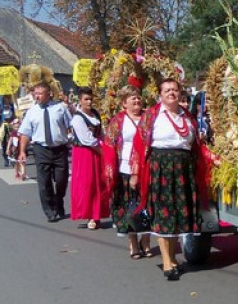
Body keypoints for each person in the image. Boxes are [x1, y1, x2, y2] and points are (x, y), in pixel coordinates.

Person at [130, 78, 212, 281]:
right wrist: (135, 173)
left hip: (184, 168)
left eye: (175, 90)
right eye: (167, 90)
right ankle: (167, 261)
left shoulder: (188, 117)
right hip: (161, 167)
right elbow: (138, 146)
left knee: (177, 216)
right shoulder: (151, 116)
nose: (171, 93)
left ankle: (173, 257)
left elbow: (196, 146)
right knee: (164, 215)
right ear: (160, 93)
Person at [104, 85, 152, 259]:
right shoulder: (118, 121)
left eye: (139, 98)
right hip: (125, 168)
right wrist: (110, 169)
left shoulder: (149, 118)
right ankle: (133, 242)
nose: (137, 101)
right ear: (124, 103)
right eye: (133, 99)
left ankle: (146, 240)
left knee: (147, 206)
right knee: (129, 206)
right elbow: (109, 144)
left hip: (147, 168)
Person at [18, 82, 73, 223]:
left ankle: (58, 201)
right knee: (44, 183)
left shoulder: (60, 108)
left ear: (49, 94)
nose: (37, 96)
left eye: (40, 93)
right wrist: (22, 151)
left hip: (60, 149)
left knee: (61, 180)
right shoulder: (31, 112)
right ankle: (50, 211)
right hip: (41, 149)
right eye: (35, 93)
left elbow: (70, 126)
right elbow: (25, 133)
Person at [69, 88, 108, 230]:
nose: (89, 102)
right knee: (88, 183)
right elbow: (87, 140)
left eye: (91, 99)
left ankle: (98, 214)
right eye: (86, 99)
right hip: (84, 154)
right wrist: (104, 152)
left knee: (100, 182)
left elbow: (101, 133)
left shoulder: (95, 114)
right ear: (80, 100)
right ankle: (89, 215)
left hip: (97, 150)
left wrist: (108, 145)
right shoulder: (78, 118)